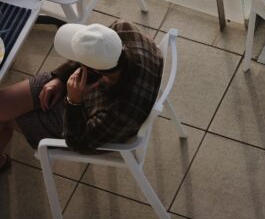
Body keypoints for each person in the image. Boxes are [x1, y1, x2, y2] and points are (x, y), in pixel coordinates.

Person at [0, 20, 163, 172]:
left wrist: (73, 101)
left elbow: (78, 143)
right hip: (81, 89)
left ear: (92, 68)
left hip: (79, 118)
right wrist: (60, 78)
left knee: (5, 120)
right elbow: (93, 53)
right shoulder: (125, 29)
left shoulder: (117, 112)